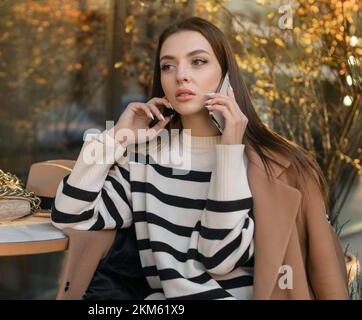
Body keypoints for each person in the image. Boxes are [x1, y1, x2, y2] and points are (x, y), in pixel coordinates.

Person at [51, 16, 349, 300]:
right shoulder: (145, 156)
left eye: (198, 62)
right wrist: (116, 137)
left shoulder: (268, 165)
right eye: (168, 66)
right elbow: (70, 214)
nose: (181, 75)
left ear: (226, 75)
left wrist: (230, 151)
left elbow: (219, 258)